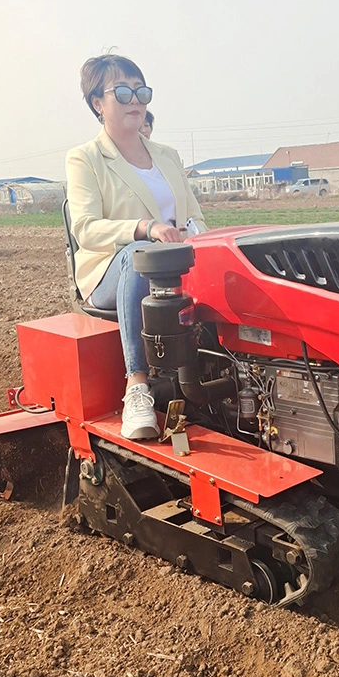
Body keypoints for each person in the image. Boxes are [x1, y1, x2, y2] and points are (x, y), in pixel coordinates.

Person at [66, 54, 207, 440]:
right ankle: (137, 387)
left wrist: (196, 236)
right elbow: (85, 228)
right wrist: (144, 228)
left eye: (141, 91)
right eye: (123, 91)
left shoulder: (167, 156)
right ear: (98, 103)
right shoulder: (86, 158)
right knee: (138, 256)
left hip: (172, 266)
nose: (135, 100)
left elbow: (196, 217)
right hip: (112, 269)